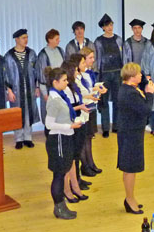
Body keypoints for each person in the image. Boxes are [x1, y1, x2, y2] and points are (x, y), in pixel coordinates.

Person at [44, 67, 82, 220]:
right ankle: (58, 208)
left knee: (62, 172)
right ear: (55, 82)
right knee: (59, 175)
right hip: (58, 139)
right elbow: (49, 124)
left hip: (65, 137)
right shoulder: (54, 100)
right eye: (64, 80)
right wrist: (69, 126)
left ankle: (62, 206)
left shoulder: (60, 96)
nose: (67, 82)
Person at [117, 62, 154, 214]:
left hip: (131, 132)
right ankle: (129, 199)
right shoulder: (130, 93)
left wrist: (146, 83)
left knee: (130, 168)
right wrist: (150, 94)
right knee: (130, 168)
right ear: (132, 76)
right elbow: (146, 109)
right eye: (138, 73)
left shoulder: (129, 88)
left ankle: (131, 197)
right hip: (130, 134)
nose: (141, 75)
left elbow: (144, 79)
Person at [60, 57, 91, 204]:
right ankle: (67, 189)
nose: (77, 72)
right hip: (70, 125)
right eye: (75, 71)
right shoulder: (64, 89)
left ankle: (75, 186)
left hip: (79, 122)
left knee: (74, 157)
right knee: (69, 159)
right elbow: (66, 108)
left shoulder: (73, 86)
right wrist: (80, 107)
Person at [5, 28, 39, 149]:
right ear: (17, 39)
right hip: (16, 90)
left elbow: (36, 71)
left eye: (27, 37)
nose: (26, 40)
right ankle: (18, 138)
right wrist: (9, 91)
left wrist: (37, 87)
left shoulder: (31, 53)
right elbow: (6, 74)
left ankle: (28, 137)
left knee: (28, 112)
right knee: (17, 114)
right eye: (23, 38)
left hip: (30, 88)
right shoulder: (9, 56)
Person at [94, 13, 124, 137]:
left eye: (111, 25)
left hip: (118, 73)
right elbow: (97, 59)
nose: (110, 27)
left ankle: (116, 126)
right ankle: (105, 128)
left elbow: (124, 57)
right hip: (104, 74)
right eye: (107, 25)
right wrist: (97, 76)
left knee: (117, 101)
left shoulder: (118, 39)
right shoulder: (98, 41)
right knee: (104, 101)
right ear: (103, 27)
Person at [79, 47, 107, 177]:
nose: (93, 60)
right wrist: (94, 91)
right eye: (90, 57)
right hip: (84, 108)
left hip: (92, 107)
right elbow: (83, 92)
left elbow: (92, 86)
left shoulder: (89, 72)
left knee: (89, 137)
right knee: (83, 138)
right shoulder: (79, 75)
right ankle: (84, 165)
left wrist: (98, 88)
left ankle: (91, 163)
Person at [36, 29, 65, 133]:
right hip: (49, 89)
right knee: (49, 113)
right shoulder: (43, 54)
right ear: (50, 40)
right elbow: (41, 75)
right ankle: (49, 134)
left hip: (61, 88)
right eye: (57, 39)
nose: (59, 41)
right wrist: (44, 93)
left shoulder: (60, 51)